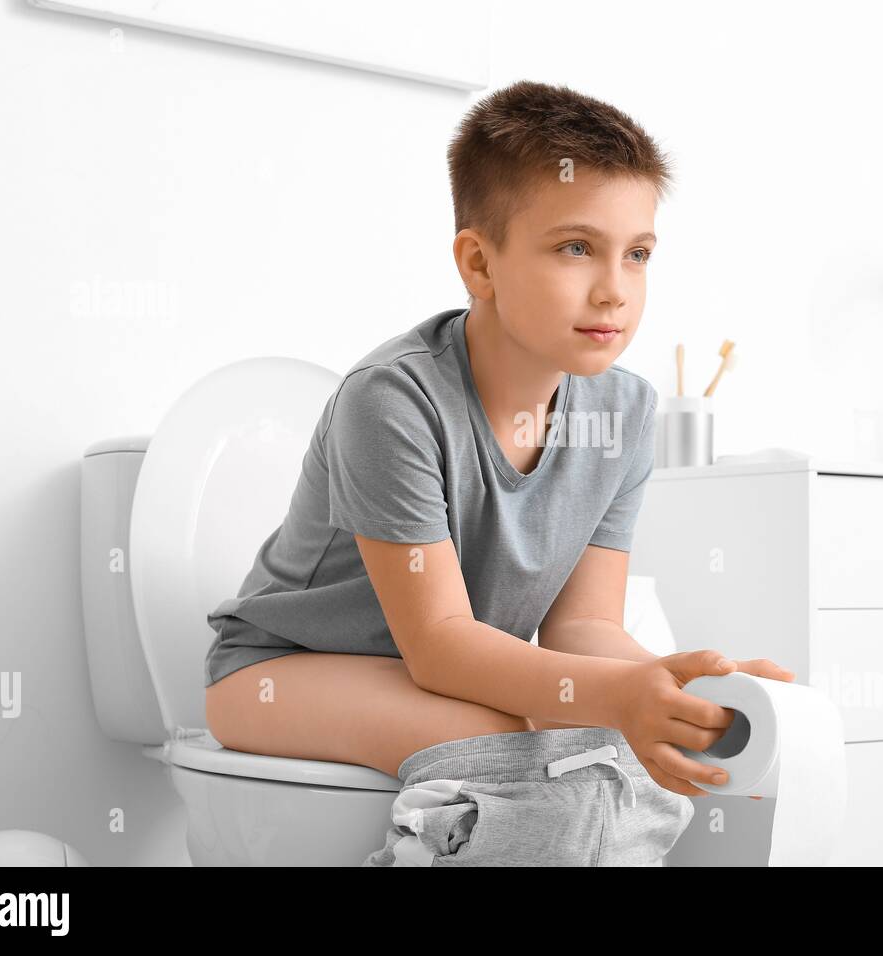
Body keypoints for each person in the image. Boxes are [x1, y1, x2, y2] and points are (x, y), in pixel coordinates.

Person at [202, 80, 793, 821]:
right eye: (577, 248)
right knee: (532, 755)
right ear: (479, 265)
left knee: (596, 754)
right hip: (284, 674)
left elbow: (582, 629)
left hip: (446, 678)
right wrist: (611, 701)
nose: (615, 290)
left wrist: (696, 688)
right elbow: (441, 646)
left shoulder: (627, 411)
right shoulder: (393, 402)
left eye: (637, 254)